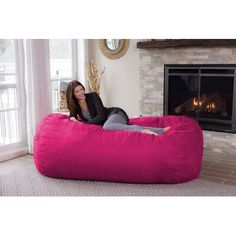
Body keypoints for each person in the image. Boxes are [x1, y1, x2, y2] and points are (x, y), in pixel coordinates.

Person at [66, 80, 170, 135]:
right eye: (77, 91)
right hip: (111, 122)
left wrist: (84, 124)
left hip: (115, 114)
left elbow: (101, 116)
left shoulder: (93, 95)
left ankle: (141, 130)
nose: (81, 92)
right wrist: (72, 118)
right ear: (72, 94)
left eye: (81, 89)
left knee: (107, 126)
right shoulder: (75, 105)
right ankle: (162, 130)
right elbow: (72, 115)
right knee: (109, 125)